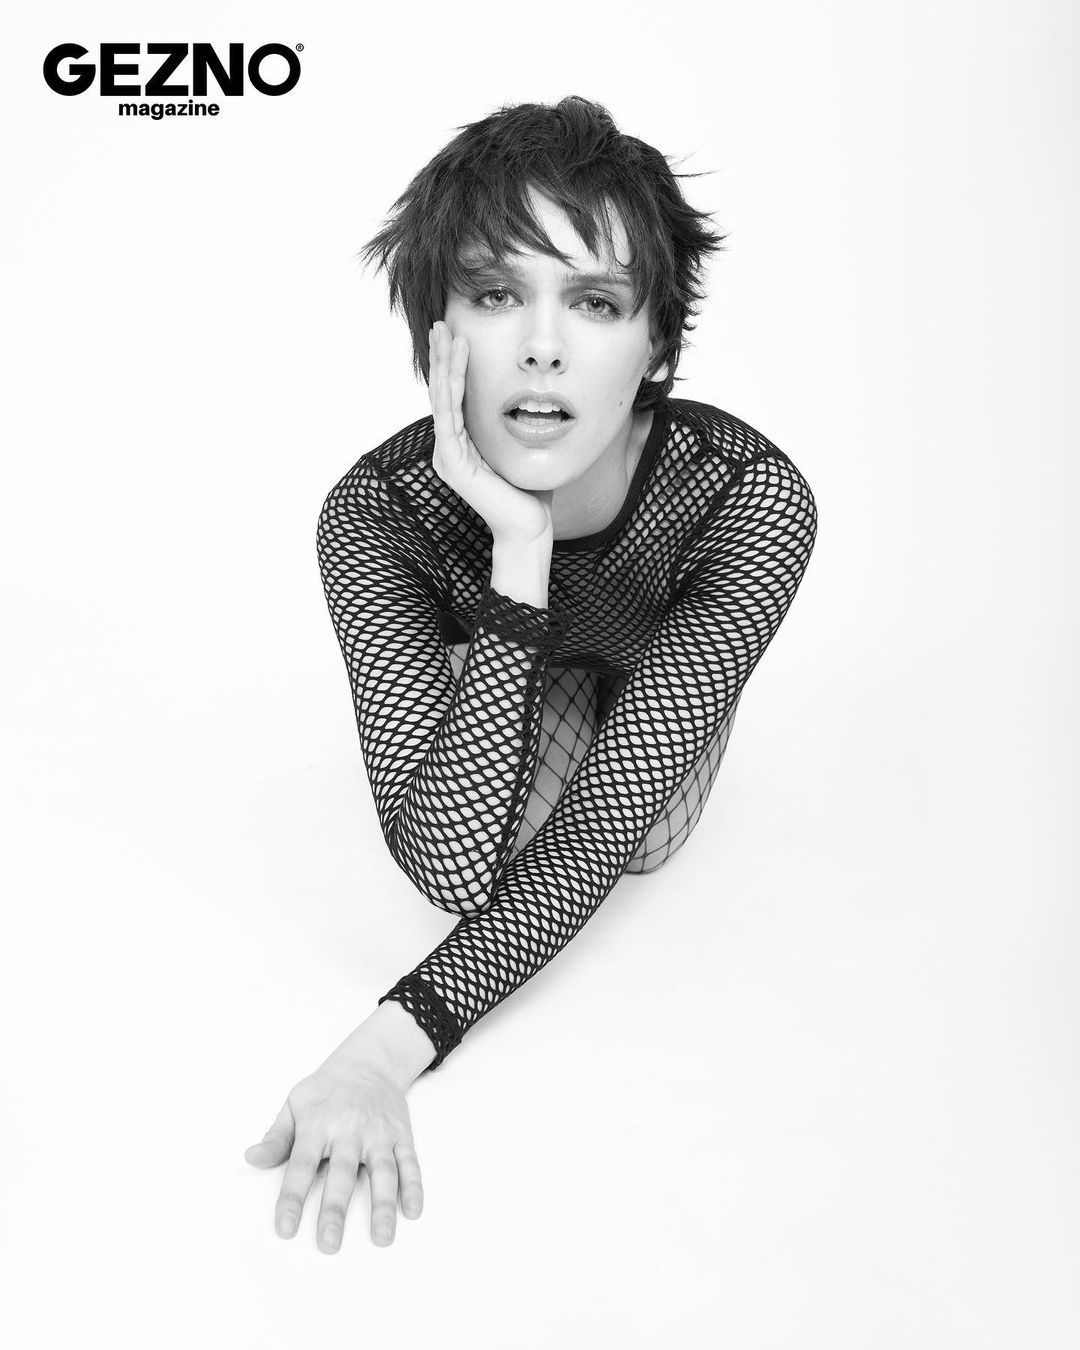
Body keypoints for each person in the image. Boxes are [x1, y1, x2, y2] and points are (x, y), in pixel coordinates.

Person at [244, 96, 818, 1253]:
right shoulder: (377, 515)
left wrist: (383, 1049)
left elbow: (600, 832)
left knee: (647, 842)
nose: (543, 346)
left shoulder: (745, 499)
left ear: (657, 347)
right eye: (497, 294)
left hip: (654, 661)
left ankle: (611, 683)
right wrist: (519, 549)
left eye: (595, 303)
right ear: (437, 330)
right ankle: (532, 666)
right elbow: (450, 867)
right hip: (521, 646)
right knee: (488, 844)